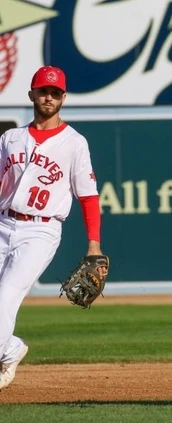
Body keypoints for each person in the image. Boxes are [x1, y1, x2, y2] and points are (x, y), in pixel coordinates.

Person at [0, 66, 105, 390]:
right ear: (31, 94)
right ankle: (11, 348)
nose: (49, 97)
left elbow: (87, 196)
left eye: (56, 93)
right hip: (3, 221)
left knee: (6, 298)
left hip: (41, 231)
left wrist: (94, 245)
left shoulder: (74, 143)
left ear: (63, 98)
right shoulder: (10, 138)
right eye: (44, 91)